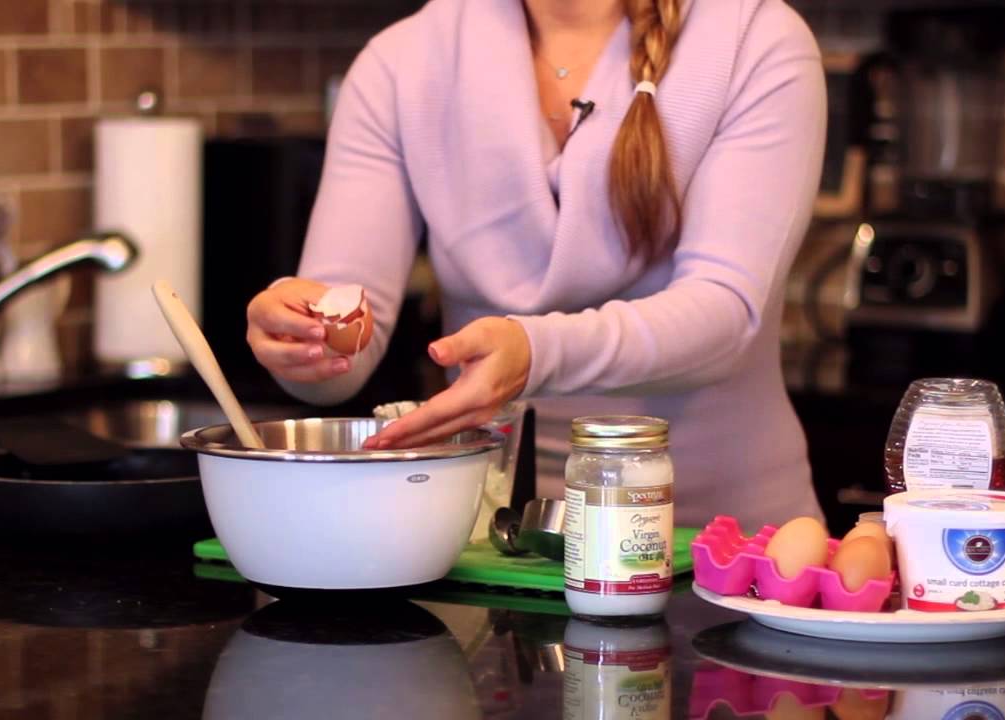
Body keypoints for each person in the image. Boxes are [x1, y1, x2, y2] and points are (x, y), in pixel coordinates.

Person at [245, 0, 826, 529]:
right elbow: (345, 348)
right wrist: (302, 335)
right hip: (491, 546)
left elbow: (727, 316)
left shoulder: (755, 38)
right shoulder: (399, 64)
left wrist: (534, 352)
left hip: (722, 548)